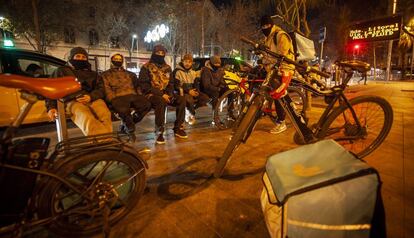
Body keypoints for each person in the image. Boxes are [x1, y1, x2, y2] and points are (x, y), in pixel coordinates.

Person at [46, 47, 113, 136]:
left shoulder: (93, 74)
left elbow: (101, 89)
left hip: (92, 98)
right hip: (72, 100)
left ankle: (102, 142)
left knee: (105, 114)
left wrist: (91, 97)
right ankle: (106, 142)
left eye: (83, 57)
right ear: (71, 57)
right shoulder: (61, 71)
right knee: (86, 117)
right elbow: (52, 89)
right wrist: (51, 107)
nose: (81, 59)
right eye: (77, 56)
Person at [138, 44, 187, 144]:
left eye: (162, 53)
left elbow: (171, 83)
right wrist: (161, 94)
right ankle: (159, 131)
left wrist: (169, 93)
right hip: (151, 94)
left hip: (166, 94)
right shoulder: (146, 67)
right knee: (160, 102)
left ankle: (178, 127)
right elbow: (145, 86)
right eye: (158, 53)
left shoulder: (167, 67)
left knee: (182, 100)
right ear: (153, 53)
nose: (160, 55)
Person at [101, 53, 151, 142]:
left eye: (120, 59)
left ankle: (129, 122)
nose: (118, 60)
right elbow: (106, 89)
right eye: (115, 58)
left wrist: (140, 95)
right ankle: (130, 130)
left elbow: (137, 86)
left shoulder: (130, 74)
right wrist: (112, 99)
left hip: (132, 95)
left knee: (146, 104)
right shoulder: (105, 74)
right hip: (117, 96)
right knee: (123, 109)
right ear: (111, 60)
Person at [260, 15, 295, 134]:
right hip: (273, 69)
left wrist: (269, 62)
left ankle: (281, 122)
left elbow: (282, 55)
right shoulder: (267, 37)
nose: (265, 28)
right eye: (262, 26)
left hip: (284, 69)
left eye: (267, 25)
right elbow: (268, 55)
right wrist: (262, 59)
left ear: (271, 25)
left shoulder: (280, 35)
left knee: (277, 92)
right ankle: (290, 107)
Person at [172, 54, 209, 125]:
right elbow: (176, 85)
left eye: (189, 62)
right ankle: (191, 113)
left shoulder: (193, 72)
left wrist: (197, 91)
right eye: (186, 61)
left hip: (192, 90)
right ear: (182, 62)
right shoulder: (177, 71)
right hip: (182, 91)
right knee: (189, 100)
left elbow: (196, 84)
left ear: (192, 63)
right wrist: (189, 91)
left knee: (205, 98)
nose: (187, 64)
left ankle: (190, 109)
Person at [200, 55, 235, 122]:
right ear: (211, 63)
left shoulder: (219, 70)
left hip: (217, 88)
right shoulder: (206, 70)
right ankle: (215, 116)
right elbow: (206, 85)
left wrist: (222, 86)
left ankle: (230, 112)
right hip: (207, 90)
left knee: (230, 92)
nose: (217, 65)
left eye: (218, 64)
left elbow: (222, 80)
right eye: (215, 64)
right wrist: (217, 89)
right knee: (215, 94)